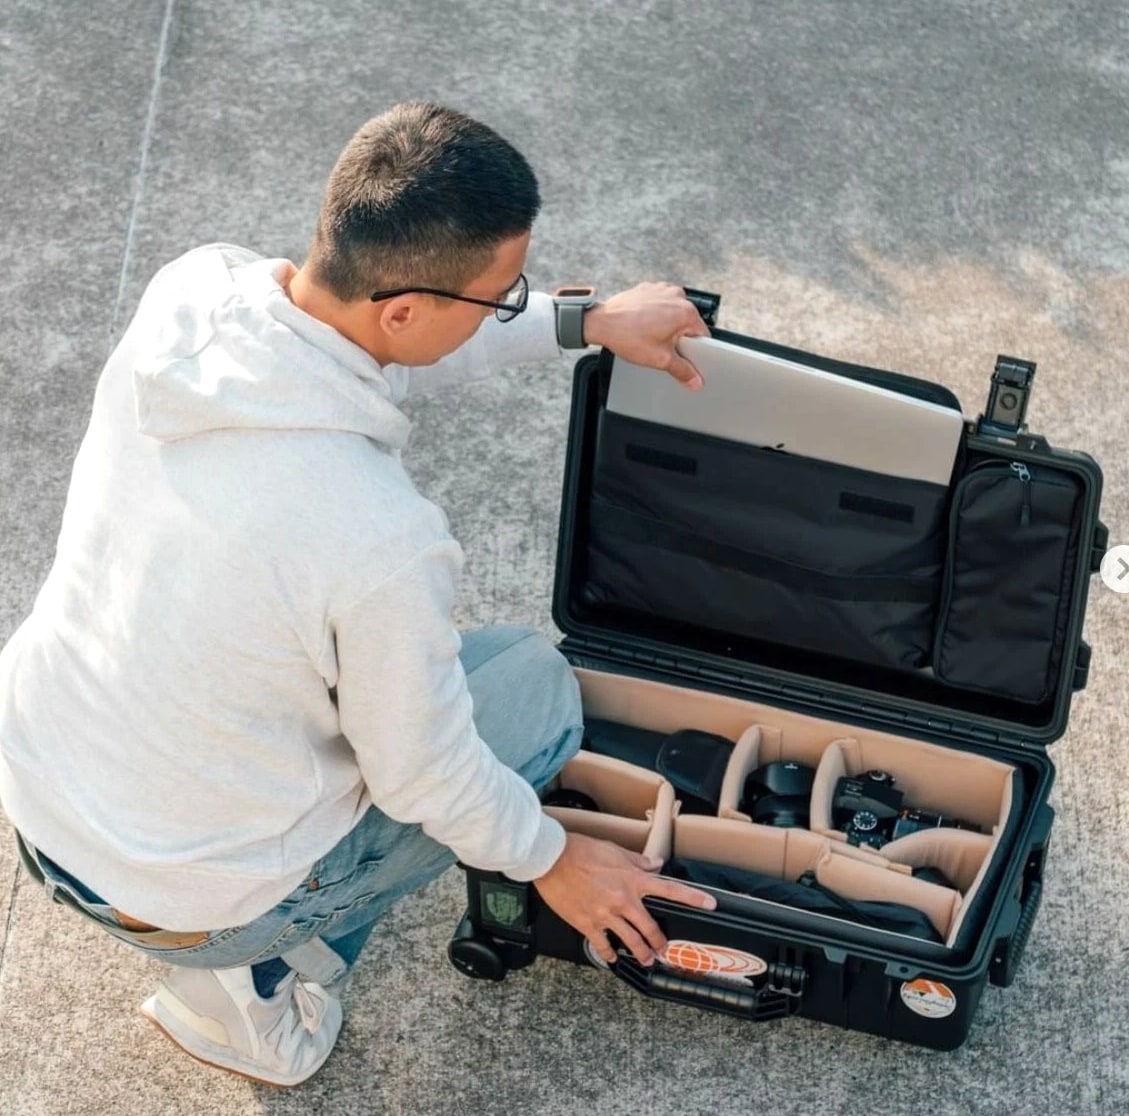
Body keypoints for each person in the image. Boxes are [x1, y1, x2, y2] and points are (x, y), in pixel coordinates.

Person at [0, 101, 716, 1087]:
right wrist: (551, 857)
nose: (501, 311)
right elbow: (425, 775)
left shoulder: (194, 295)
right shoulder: (376, 538)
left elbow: (382, 341)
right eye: (498, 298)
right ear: (406, 309)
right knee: (531, 691)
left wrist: (582, 321)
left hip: (41, 797)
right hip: (190, 898)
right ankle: (246, 989)